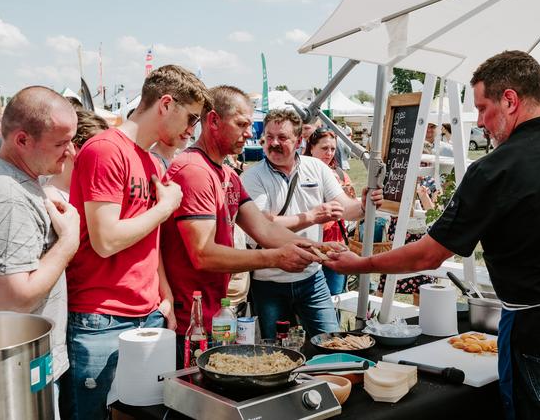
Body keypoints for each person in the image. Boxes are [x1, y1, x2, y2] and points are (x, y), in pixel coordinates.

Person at [325, 50, 540, 420]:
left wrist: (362, 264)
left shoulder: (495, 169)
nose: (481, 121)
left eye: (484, 108)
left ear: (511, 100)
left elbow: (428, 256)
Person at [62, 65, 209, 419]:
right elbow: (106, 240)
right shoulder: (105, 149)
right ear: (166, 104)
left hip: (147, 314)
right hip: (102, 317)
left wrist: (165, 295)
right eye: (190, 119)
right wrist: (166, 207)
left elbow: (148, 241)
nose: (191, 131)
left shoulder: (152, 162)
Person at [160, 86, 323, 364]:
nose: (250, 133)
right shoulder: (194, 171)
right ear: (213, 121)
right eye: (242, 124)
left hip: (215, 314)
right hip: (189, 322)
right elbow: (203, 254)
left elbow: (265, 229)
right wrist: (274, 258)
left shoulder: (227, 174)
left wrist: (319, 248)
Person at [0, 86, 80, 413]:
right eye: (60, 143)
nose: (70, 152)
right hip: (12, 372)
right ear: (22, 140)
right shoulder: (7, 197)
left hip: (6, 364)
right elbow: (14, 299)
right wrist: (68, 243)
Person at [241, 109, 383, 339]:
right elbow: (261, 226)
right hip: (269, 282)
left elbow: (345, 208)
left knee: (332, 342)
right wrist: (311, 217)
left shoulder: (316, 168)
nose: (274, 143)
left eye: (282, 137)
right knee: (276, 353)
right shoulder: (252, 176)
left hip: (312, 279)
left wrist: (364, 205)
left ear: (299, 141)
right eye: (269, 137)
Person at [304, 127, 355, 295]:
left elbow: (350, 208)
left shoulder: (340, 175)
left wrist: (348, 197)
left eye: (333, 149)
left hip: (335, 244)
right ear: (312, 148)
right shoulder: (300, 174)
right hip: (310, 245)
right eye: (324, 148)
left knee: (335, 296)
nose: (329, 153)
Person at [44, 110, 108, 201]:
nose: (108, 155)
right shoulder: (52, 197)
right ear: (72, 147)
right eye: (99, 147)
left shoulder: (95, 188)